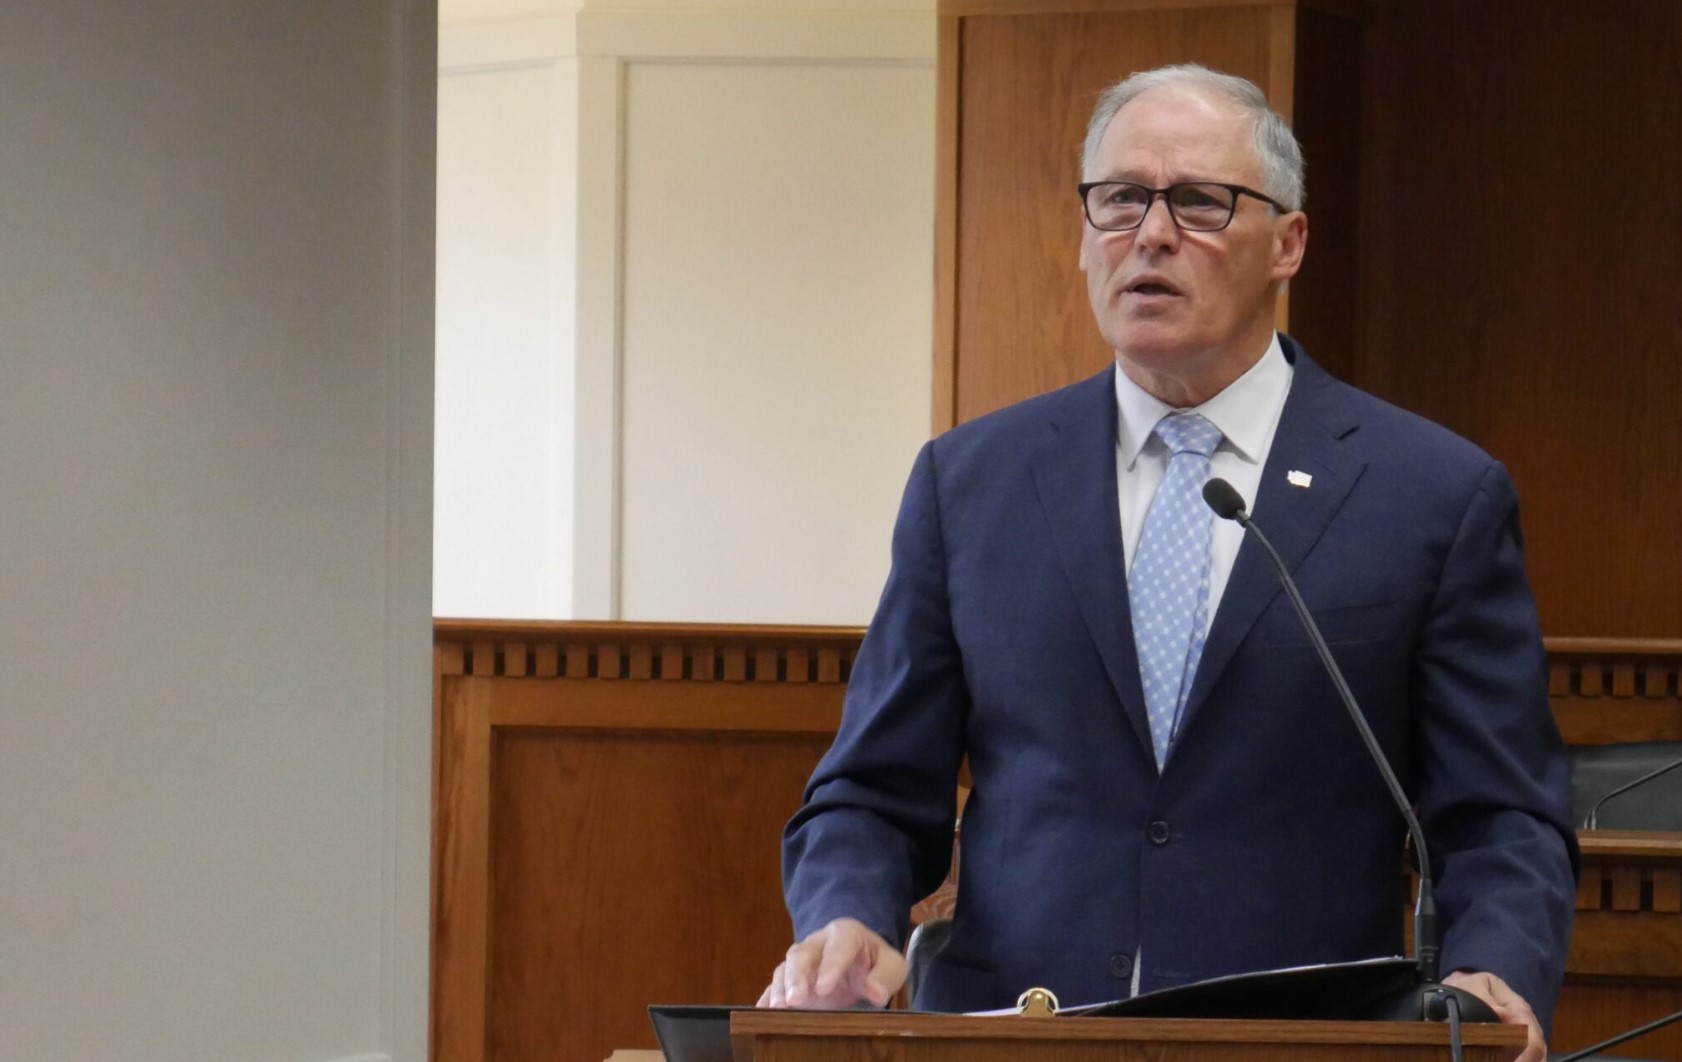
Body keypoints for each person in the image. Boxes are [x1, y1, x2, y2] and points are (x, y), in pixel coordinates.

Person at [759, 64, 1577, 1062]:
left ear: (1287, 243)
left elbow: (1497, 814)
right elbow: (872, 789)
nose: (1149, 234)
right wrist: (848, 916)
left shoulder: (1431, 495)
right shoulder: (969, 481)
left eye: (1196, 201)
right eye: (1118, 200)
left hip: (1303, 1045)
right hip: (1017, 1036)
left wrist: (1492, 968)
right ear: (1082, 233)